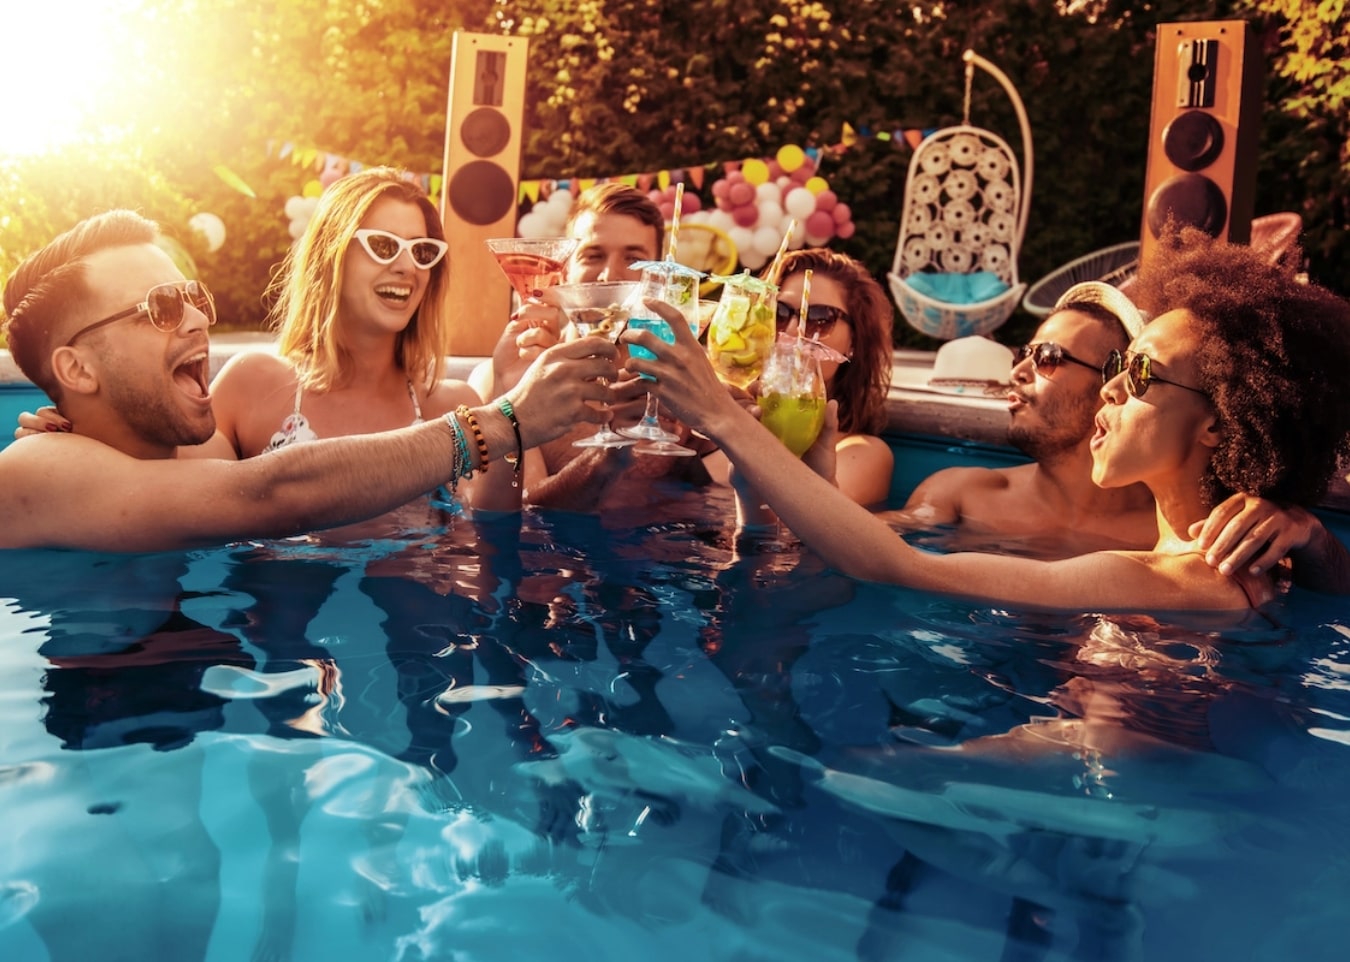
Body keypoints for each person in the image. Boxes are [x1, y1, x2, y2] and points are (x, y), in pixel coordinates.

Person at [622, 226, 1350, 611]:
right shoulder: (1235, 566)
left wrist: (718, 411)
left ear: (1221, 424)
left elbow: (896, 567)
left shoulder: (1183, 577)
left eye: (1139, 372)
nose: (1110, 391)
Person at [0, 208, 619, 552]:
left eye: (191, 296)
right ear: (76, 369)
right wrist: (504, 420)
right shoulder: (37, 468)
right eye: (162, 307)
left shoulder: (147, 455)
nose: (197, 318)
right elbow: (267, 493)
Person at [898, 281, 1350, 585]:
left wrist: (1310, 534)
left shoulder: (1213, 548)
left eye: (1049, 356)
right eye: (1027, 351)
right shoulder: (958, 492)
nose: (1019, 370)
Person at [731, 248, 895, 529]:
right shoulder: (729, 417)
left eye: (820, 318)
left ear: (854, 341)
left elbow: (812, 540)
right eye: (780, 313)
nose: (793, 330)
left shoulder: (861, 454)